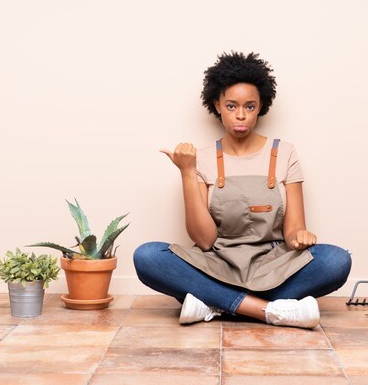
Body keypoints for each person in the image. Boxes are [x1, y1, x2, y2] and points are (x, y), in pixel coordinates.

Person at [133, 52, 351, 329]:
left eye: (250, 107)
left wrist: (300, 238)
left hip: (272, 265)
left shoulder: (285, 153)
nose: (240, 115)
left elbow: (294, 231)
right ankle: (268, 311)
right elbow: (204, 240)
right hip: (217, 264)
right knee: (147, 256)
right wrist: (188, 172)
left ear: (261, 107)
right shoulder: (201, 158)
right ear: (217, 105)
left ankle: (215, 303)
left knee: (336, 260)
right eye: (232, 105)